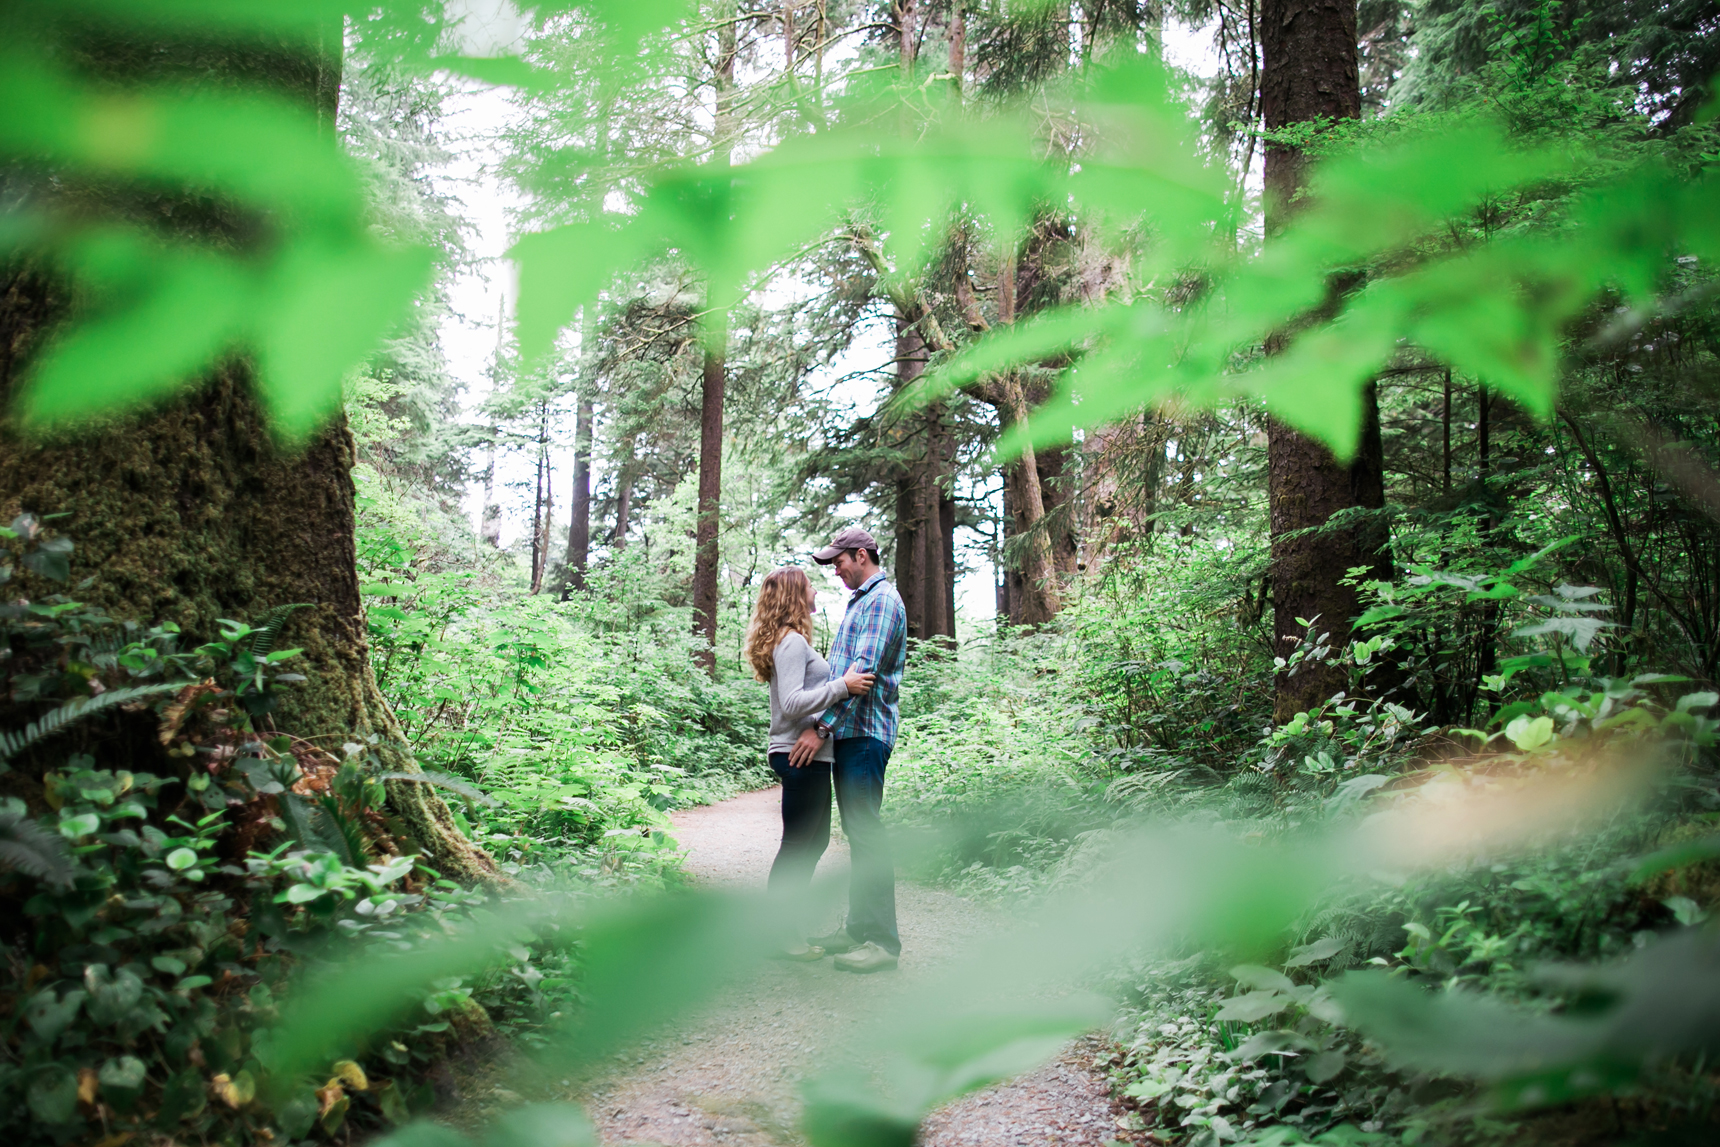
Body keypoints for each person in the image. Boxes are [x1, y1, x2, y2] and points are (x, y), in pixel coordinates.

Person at [789, 525, 908, 974]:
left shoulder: (880, 601)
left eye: (838, 561)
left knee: (866, 833)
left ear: (861, 555)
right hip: (851, 734)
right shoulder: (863, 600)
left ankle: (882, 942)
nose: (834, 570)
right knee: (859, 834)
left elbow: (864, 675)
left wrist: (820, 728)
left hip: (864, 733)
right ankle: (859, 930)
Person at [744, 566, 874, 960]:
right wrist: (842, 686)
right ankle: (781, 935)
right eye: (811, 584)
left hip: (810, 756)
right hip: (796, 754)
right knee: (798, 845)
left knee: (811, 842)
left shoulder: (792, 641)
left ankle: (786, 926)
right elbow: (792, 702)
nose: (818, 589)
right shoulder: (792, 642)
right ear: (796, 594)